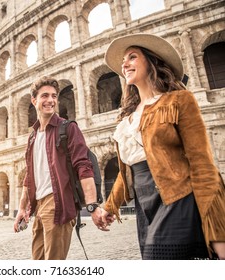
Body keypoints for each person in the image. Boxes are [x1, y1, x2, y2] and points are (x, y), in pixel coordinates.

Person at [100, 33, 225, 260]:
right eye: (123, 61)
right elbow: (128, 169)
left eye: (132, 57)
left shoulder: (178, 101)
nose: (124, 64)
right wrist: (110, 206)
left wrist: (218, 232)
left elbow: (202, 163)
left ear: (152, 61)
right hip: (144, 203)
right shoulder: (127, 118)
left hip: (178, 197)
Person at [13, 76, 105, 260]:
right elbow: (29, 177)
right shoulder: (32, 138)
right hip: (39, 207)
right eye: (45, 96)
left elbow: (83, 167)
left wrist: (93, 206)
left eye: (54, 96)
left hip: (59, 203)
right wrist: (23, 209)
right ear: (34, 101)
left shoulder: (68, 128)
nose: (50, 100)